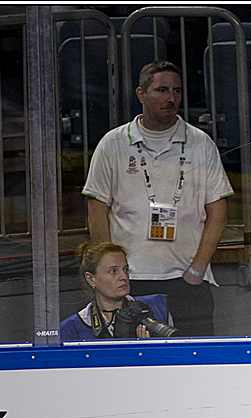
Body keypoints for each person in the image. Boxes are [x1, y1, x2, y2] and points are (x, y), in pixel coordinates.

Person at [83, 60, 234, 336]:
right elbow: (97, 209)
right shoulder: (113, 144)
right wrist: (111, 272)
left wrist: (197, 271)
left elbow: (218, 211)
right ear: (141, 94)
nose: (171, 98)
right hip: (130, 280)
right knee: (131, 366)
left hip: (187, 278)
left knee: (195, 363)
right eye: (162, 90)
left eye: (176, 91)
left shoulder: (200, 143)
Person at [60, 242, 173, 341]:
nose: (123, 276)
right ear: (91, 279)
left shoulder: (159, 307)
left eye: (125, 269)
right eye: (113, 271)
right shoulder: (70, 330)